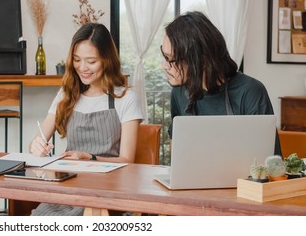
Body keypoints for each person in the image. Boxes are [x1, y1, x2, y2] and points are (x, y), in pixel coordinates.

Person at [28, 23, 143, 215]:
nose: (83, 68)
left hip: (107, 192)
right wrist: (36, 146)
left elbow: (127, 161)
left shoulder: (125, 99)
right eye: (77, 60)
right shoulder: (66, 94)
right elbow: (37, 139)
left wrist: (90, 158)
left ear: (107, 60)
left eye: (91, 61)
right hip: (68, 188)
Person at [161, 11, 281, 155]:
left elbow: (269, 163)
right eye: (164, 55)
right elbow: (178, 151)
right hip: (193, 177)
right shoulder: (179, 92)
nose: (164, 65)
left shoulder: (250, 92)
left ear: (202, 60)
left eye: (171, 59)